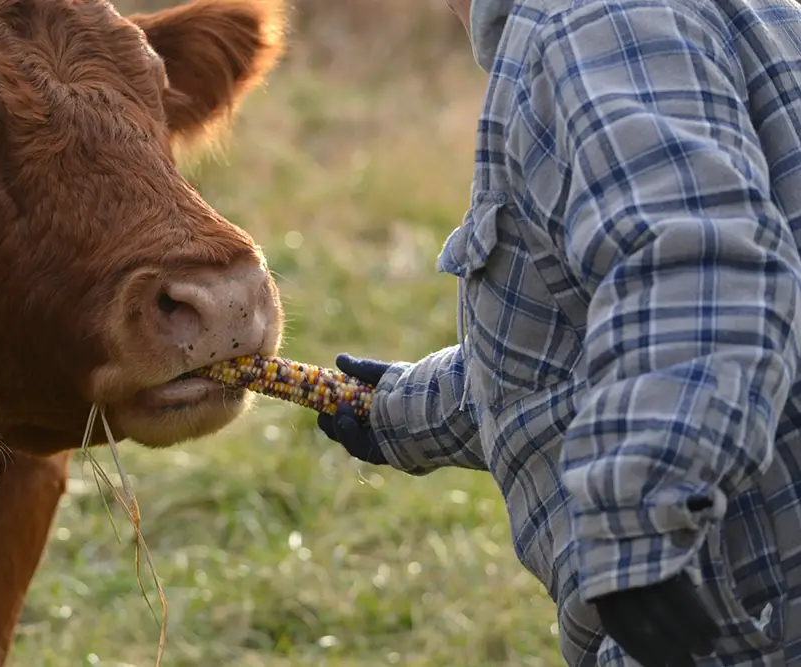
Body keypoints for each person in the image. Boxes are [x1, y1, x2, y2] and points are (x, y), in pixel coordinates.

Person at [317, 0, 801, 663]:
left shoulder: (589, 23)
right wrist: (401, 410)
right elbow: (583, 342)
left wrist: (637, 524)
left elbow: (697, 269)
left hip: (733, 601)